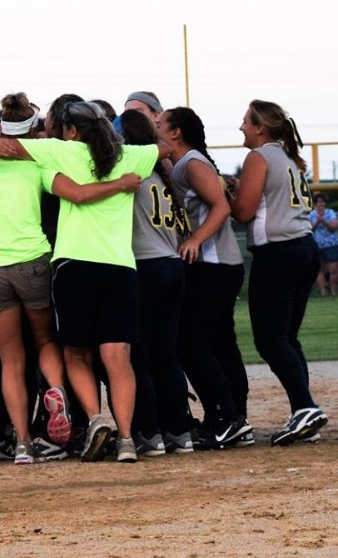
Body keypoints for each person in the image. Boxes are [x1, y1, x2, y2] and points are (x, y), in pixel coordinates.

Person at [0, 94, 142, 464]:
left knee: (10, 359)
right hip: (33, 261)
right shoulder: (37, 162)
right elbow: (80, 195)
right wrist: (120, 185)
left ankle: (21, 443)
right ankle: (56, 390)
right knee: (44, 340)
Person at [228, 99, 328, 446]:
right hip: (304, 247)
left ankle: (305, 407)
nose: (241, 127)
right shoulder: (289, 157)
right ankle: (305, 410)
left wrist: (223, 194)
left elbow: (243, 211)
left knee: (270, 339)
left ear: (260, 127)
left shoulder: (259, 156)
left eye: (245, 121)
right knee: (287, 337)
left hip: (279, 252)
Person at [157, 106, 250, 450]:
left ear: (176, 132)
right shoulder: (182, 163)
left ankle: (227, 417)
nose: (156, 128)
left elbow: (222, 207)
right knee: (219, 342)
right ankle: (231, 418)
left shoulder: (192, 162)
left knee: (192, 342)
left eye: (160, 124)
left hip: (214, 263)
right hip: (217, 264)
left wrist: (195, 239)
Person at [118, 109, 192, 456]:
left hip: (145, 266)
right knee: (167, 356)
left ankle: (149, 433)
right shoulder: (163, 174)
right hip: (172, 265)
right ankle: (179, 431)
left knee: (140, 357)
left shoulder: (132, 171)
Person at [309, 193, 338, 296]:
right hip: (316, 245)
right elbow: (308, 229)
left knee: (334, 268)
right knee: (318, 269)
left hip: (331, 244)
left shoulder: (330, 213)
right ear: (315, 203)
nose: (321, 204)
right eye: (318, 202)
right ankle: (323, 292)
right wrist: (317, 223)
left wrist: (324, 222)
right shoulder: (310, 215)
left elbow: (334, 227)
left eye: (322, 202)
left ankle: (333, 292)